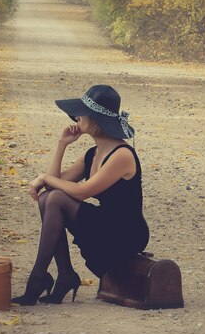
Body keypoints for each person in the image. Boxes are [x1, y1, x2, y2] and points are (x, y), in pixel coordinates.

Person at [11, 85, 149, 306]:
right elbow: (56, 184)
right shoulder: (92, 154)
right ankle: (64, 275)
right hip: (105, 223)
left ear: (95, 119)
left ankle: (39, 277)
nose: (76, 117)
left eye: (81, 113)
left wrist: (44, 177)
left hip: (125, 232)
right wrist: (62, 144)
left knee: (54, 197)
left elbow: (83, 192)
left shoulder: (122, 155)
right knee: (49, 198)